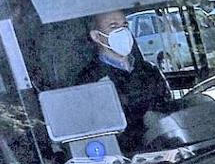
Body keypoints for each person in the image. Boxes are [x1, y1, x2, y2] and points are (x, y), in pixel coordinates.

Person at [74, 9, 175, 155]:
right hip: (125, 161)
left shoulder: (149, 70)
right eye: (113, 27)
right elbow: (96, 132)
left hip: (167, 149)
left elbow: (168, 109)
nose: (122, 32)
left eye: (125, 25)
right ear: (96, 36)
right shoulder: (89, 81)